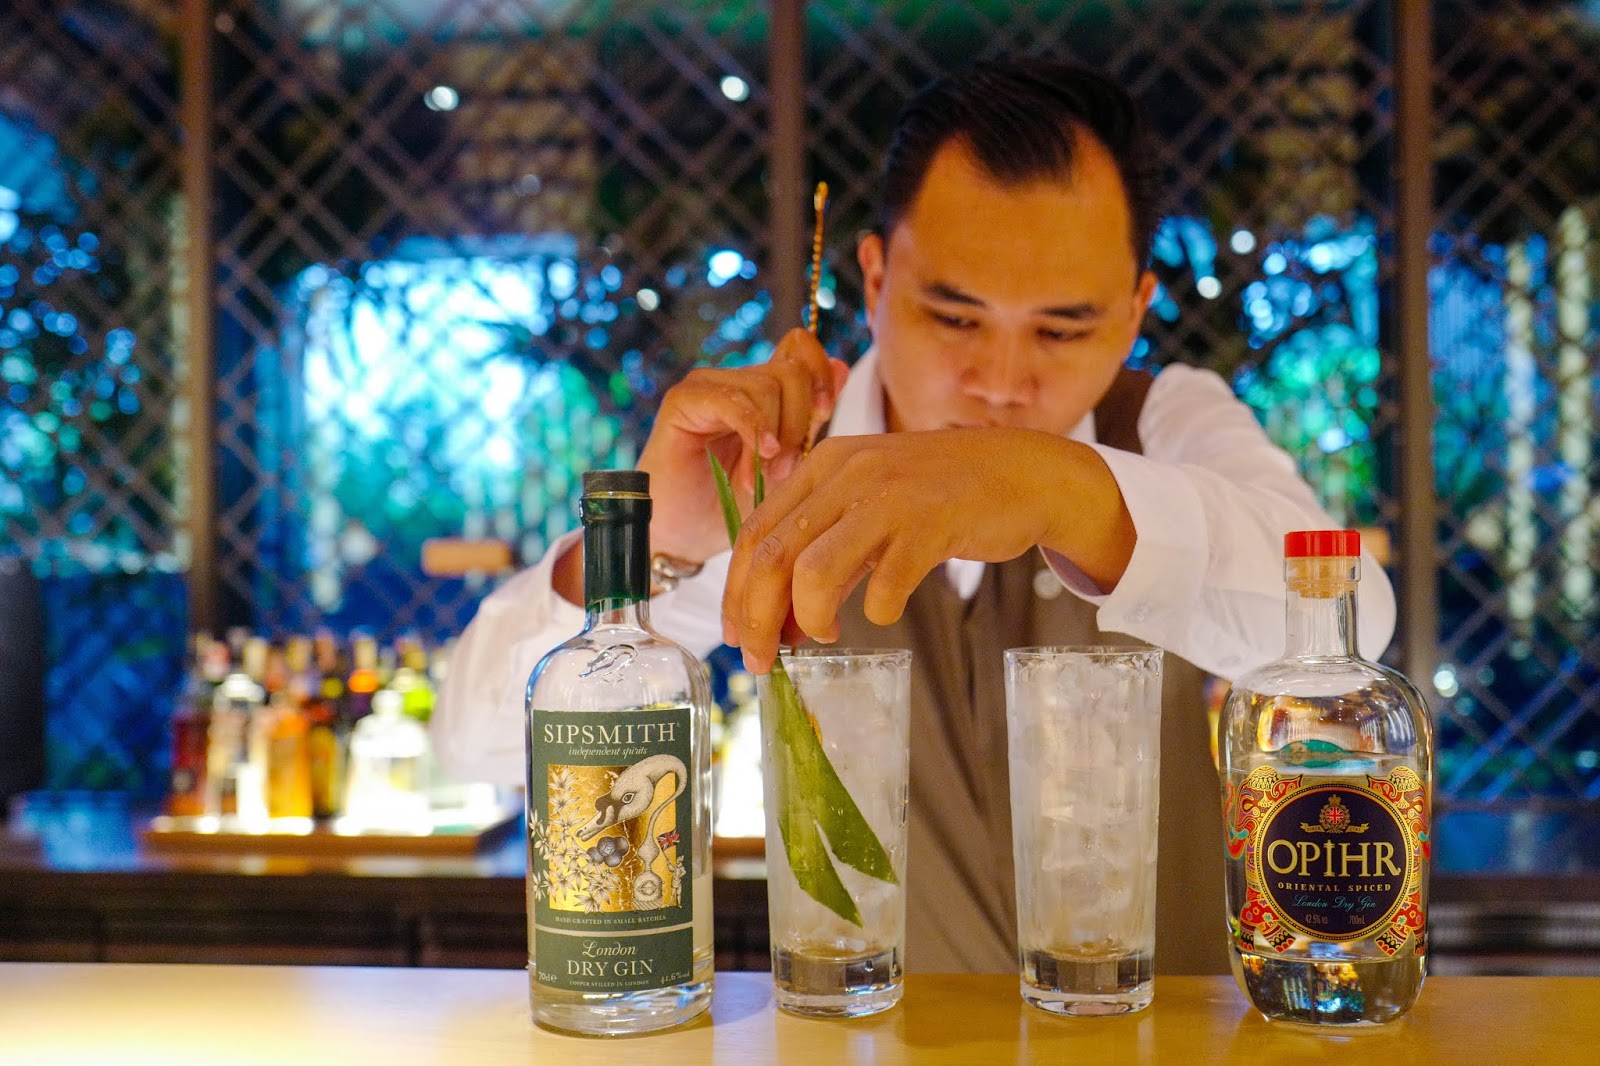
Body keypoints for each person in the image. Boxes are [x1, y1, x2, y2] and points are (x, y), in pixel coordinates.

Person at [432, 57, 1396, 975]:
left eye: (1063, 328)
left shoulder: (1167, 420)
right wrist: (669, 551)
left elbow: (1353, 622)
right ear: (876, 279)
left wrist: (1059, 488)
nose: (1002, 382)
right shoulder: (779, 467)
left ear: (1138, 308)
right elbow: (480, 745)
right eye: (955, 317)